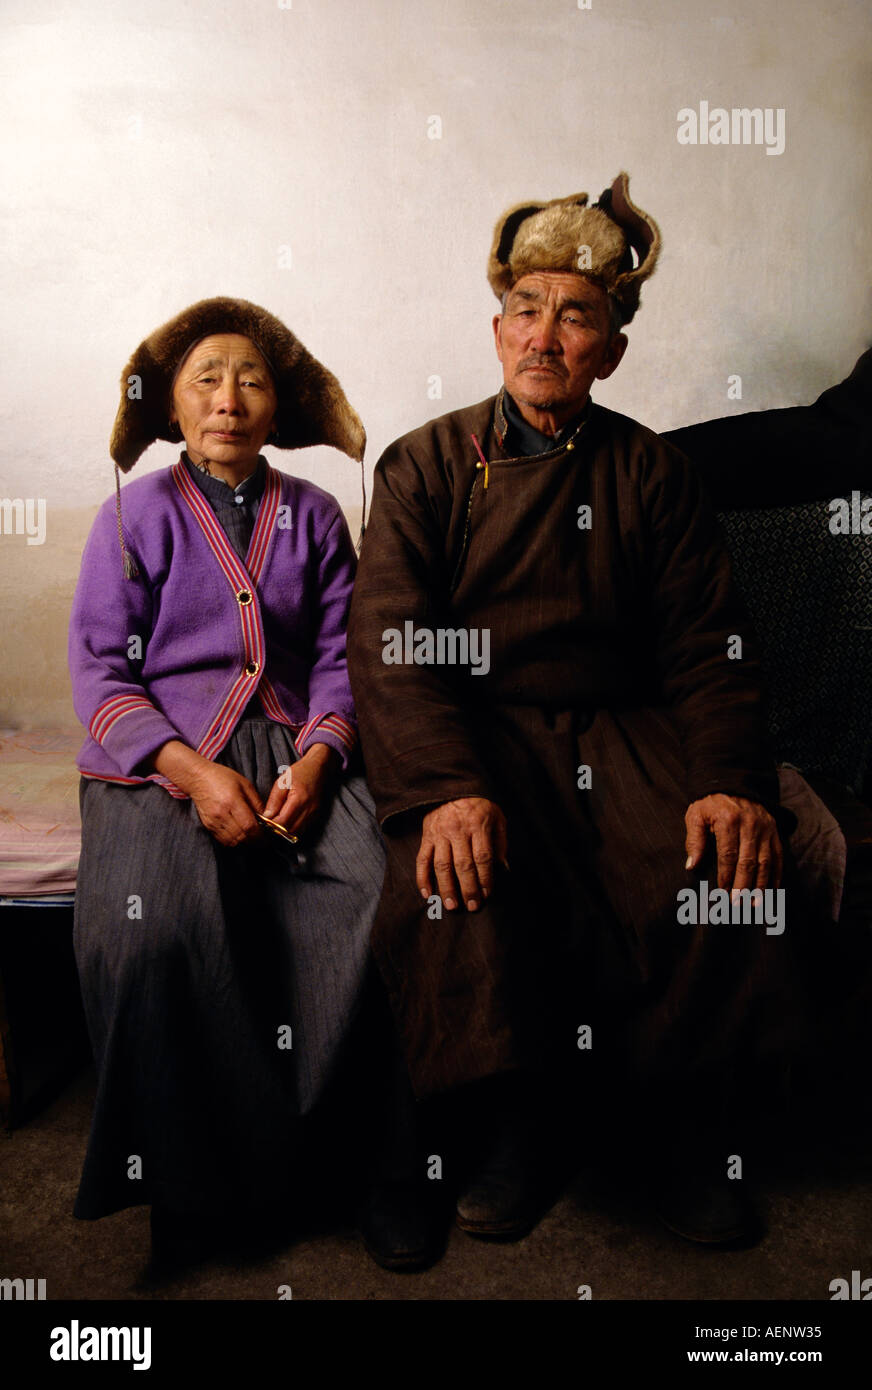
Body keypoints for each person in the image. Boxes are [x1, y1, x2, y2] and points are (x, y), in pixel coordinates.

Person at [347, 173, 811, 1264]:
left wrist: (727, 775)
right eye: (526, 308)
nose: (543, 334)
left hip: (623, 724)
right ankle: (513, 1128)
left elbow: (708, 645)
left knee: (721, 868)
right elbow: (393, 643)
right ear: (495, 328)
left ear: (610, 348)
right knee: (453, 881)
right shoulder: (423, 465)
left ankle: (673, 1129)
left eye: (575, 313)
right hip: (474, 730)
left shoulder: (654, 471)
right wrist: (444, 790)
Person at [68, 297, 388, 1271]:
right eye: (205, 377)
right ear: (172, 401)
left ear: (278, 401)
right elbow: (99, 671)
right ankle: (190, 1194)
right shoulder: (132, 515)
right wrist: (190, 772)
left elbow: (341, 658)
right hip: (165, 760)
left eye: (249, 378)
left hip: (295, 750)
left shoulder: (318, 514)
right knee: (150, 928)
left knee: (366, 892)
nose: (228, 398)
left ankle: (342, 1169)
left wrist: (321, 756)